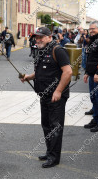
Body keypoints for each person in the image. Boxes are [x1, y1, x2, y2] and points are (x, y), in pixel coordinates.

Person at [21, 27, 72, 168]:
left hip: (56, 96)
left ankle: (54, 158)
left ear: (49, 37)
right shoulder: (42, 50)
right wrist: (29, 77)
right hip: (44, 94)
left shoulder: (58, 50)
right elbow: (41, 71)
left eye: (41, 37)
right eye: (36, 37)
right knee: (47, 125)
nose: (38, 40)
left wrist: (58, 91)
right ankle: (50, 152)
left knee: (55, 127)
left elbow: (68, 72)